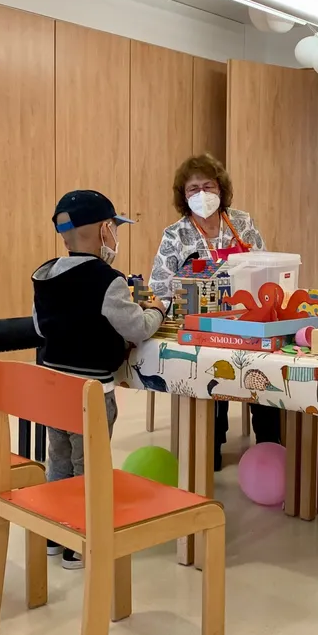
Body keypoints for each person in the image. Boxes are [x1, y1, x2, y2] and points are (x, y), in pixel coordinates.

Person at [34, 190, 166, 568]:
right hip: (92, 391)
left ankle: (53, 534)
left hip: (52, 389)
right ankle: (81, 541)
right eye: (113, 227)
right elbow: (137, 328)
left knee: (58, 461)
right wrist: (157, 309)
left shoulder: (44, 275)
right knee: (88, 465)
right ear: (103, 231)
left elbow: (41, 329)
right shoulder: (109, 280)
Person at [149, 153, 281, 469]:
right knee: (210, 372)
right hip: (200, 325)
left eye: (208, 186)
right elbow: (160, 285)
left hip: (246, 317)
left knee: (265, 366)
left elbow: (264, 266)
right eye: (193, 189)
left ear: (221, 189)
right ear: (183, 195)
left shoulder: (242, 222)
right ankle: (211, 444)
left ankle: (271, 445)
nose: (203, 194)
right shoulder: (175, 234)